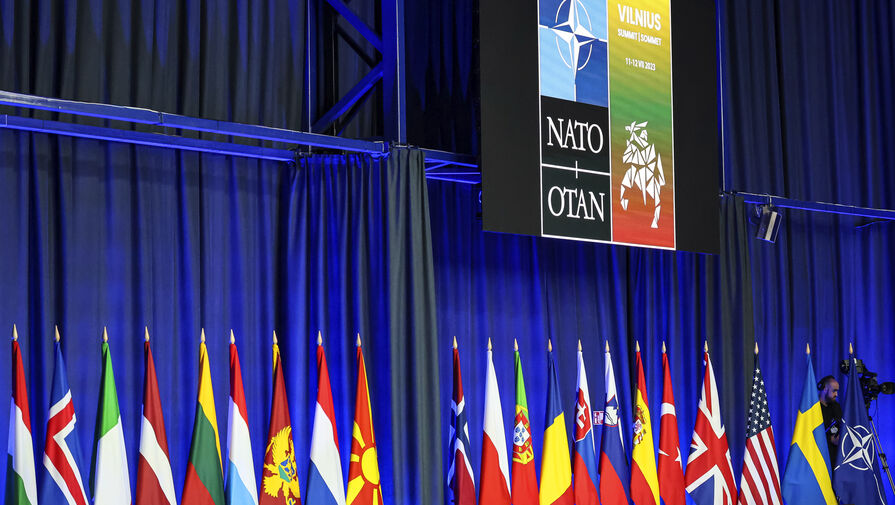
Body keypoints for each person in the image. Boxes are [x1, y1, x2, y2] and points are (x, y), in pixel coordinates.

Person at [817, 375, 842, 467]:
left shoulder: (836, 406)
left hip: (836, 459)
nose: (836, 394)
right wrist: (830, 439)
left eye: (837, 391)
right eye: (834, 391)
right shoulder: (813, 408)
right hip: (819, 458)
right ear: (825, 389)